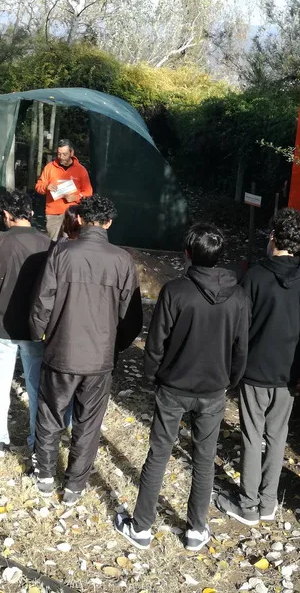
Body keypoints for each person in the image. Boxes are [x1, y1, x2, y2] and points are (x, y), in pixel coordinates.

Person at [114, 223, 250, 552]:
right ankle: (196, 530)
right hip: (213, 390)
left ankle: (142, 527)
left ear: (187, 254)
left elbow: (156, 342)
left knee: (158, 454)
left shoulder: (175, 291)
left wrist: (153, 375)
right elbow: (241, 348)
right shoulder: (239, 297)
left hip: (173, 386)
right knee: (204, 461)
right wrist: (230, 380)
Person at [29, 194, 141, 504]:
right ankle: (75, 486)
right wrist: (115, 346)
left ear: (79, 218)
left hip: (61, 351)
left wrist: (39, 332)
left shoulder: (62, 252)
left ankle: (45, 477)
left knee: (50, 414)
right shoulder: (122, 260)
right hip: (100, 357)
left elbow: (43, 301)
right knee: (88, 423)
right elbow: (131, 317)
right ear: (108, 223)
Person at [214, 209, 300, 526]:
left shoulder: (255, 276)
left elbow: (238, 323)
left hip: (255, 369)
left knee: (251, 435)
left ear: (273, 237)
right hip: (288, 372)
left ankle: (247, 505)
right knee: (277, 436)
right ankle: (268, 501)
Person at [0, 190, 63, 457]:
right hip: (35, 328)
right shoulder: (48, 244)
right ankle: (38, 439)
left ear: (5, 215)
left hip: (1, 325)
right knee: (37, 387)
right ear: (32, 213)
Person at [34, 140, 93, 239]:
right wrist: (46, 187)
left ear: (72, 153)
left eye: (65, 154)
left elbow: (88, 192)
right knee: (53, 243)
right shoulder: (49, 168)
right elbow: (38, 186)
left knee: (72, 243)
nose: (61, 157)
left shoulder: (81, 170)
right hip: (54, 214)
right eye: (59, 154)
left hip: (73, 213)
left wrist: (76, 197)